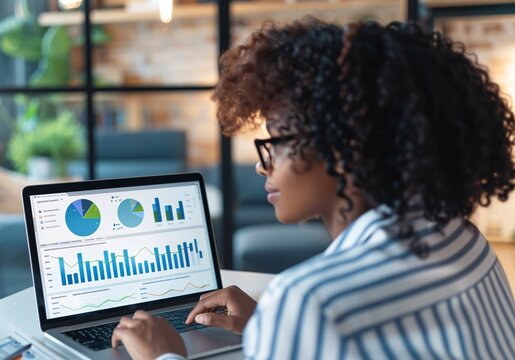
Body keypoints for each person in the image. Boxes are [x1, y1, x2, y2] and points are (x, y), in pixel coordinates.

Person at [111, 17, 515, 359]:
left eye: (279, 139)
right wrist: (269, 328)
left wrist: (163, 355)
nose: (260, 163)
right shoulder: (465, 240)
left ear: (345, 146)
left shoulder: (312, 302)